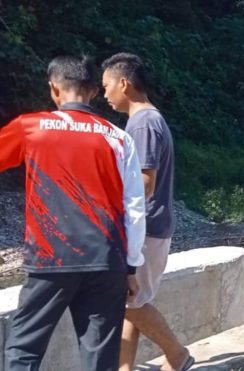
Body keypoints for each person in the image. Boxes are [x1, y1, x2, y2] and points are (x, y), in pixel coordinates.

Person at [1, 55, 145, 370]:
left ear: (54, 89)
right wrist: (131, 266)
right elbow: (134, 207)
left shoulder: (31, 126)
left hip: (52, 259)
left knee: (23, 350)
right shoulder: (118, 137)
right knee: (100, 356)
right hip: (108, 261)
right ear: (93, 91)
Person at [102, 52, 194, 371]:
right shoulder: (146, 120)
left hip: (146, 227)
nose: (104, 95)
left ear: (124, 83)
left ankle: (177, 353)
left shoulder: (142, 124)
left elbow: (145, 181)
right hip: (152, 225)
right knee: (131, 301)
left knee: (128, 301)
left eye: (106, 86)